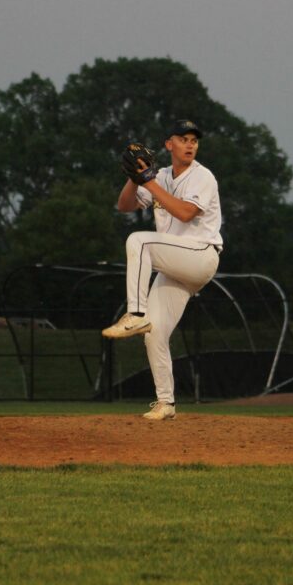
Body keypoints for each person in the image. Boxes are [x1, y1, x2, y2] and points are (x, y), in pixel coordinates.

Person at [103, 120, 223, 421]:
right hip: (175, 266)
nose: (190, 144)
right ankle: (165, 403)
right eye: (183, 139)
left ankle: (135, 314)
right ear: (169, 144)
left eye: (194, 139)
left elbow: (184, 212)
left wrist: (149, 180)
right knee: (154, 333)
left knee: (139, 241)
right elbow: (124, 205)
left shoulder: (202, 177)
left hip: (200, 256)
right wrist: (135, 177)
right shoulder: (162, 176)